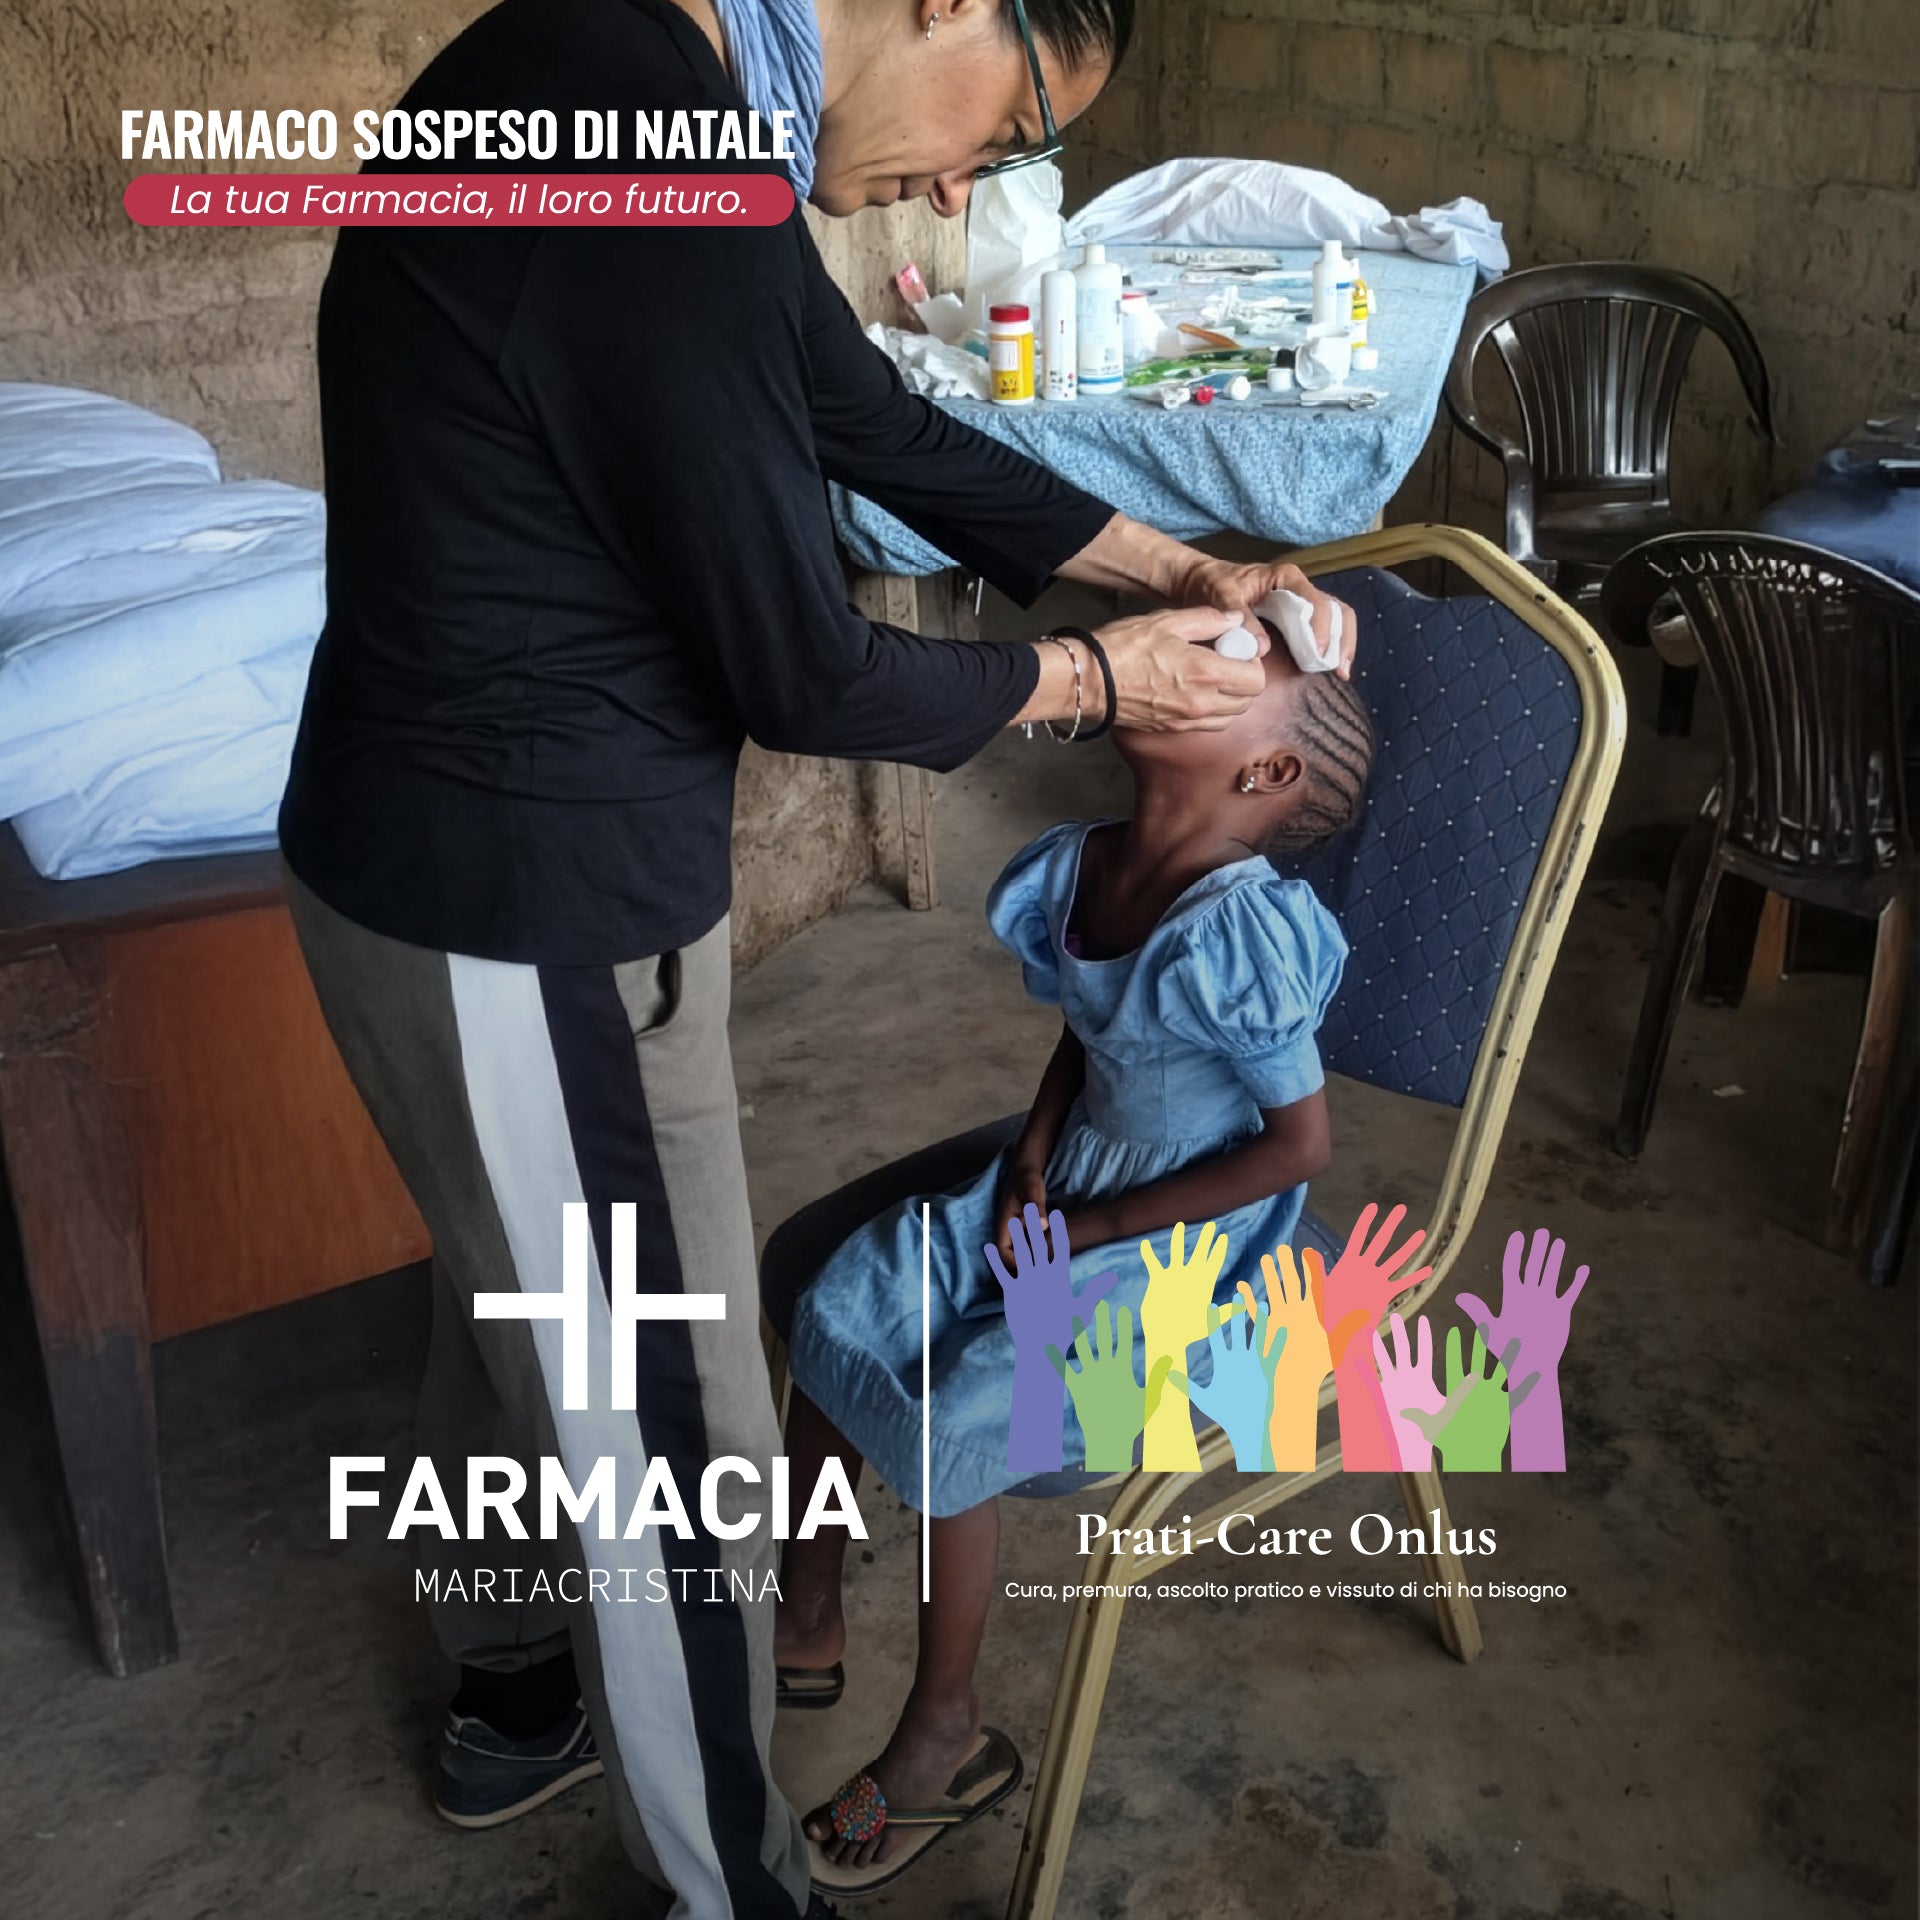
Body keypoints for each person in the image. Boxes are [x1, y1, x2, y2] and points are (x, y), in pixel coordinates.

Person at [278, 0, 1360, 1912]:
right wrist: (1091, 676)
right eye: (1007, 129)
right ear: (948, 2)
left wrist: (1178, 569)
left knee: (521, 1293)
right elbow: (802, 665)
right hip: (524, 895)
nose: (958, 189)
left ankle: (516, 1684)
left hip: (464, 861)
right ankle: (733, 1884)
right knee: (675, 1434)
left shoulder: (637, 91)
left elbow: (876, 424)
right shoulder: (642, 143)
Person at [770, 638, 1377, 1896]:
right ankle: (803, 1612)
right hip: (1075, 1175)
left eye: (1229, 675)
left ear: (1265, 771)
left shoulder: (1244, 931)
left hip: (1184, 1239)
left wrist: (1094, 1233)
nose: (1182, 663)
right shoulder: (1093, 859)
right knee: (848, 1300)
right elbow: (1085, 1038)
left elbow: (1296, 1147)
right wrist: (1035, 1165)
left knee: (965, 1408)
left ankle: (945, 1731)